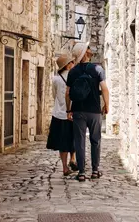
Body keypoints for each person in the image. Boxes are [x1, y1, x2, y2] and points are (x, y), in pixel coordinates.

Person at [65, 42, 109, 182]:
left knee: (80, 141)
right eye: (88, 49)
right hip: (94, 111)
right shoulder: (97, 69)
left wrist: (69, 109)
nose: (90, 50)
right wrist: (107, 105)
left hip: (78, 111)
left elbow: (67, 93)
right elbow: (105, 88)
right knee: (95, 140)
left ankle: (82, 172)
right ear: (85, 53)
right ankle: (95, 170)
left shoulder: (73, 71)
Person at [47, 54, 78, 176]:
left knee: (62, 142)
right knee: (74, 138)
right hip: (73, 113)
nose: (73, 64)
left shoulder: (55, 79)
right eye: (72, 62)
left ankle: (65, 167)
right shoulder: (74, 77)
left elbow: (54, 95)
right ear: (68, 65)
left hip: (59, 114)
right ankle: (73, 158)